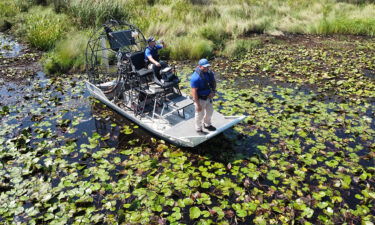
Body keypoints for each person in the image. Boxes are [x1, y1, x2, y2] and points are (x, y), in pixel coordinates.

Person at [190, 58, 217, 134]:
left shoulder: (209, 73)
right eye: (204, 67)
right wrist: (198, 104)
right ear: (199, 66)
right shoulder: (195, 78)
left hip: (208, 97)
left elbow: (213, 83)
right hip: (200, 99)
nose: (206, 68)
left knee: (210, 111)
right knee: (199, 114)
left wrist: (213, 92)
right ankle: (198, 128)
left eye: (207, 66)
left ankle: (207, 124)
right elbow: (194, 92)